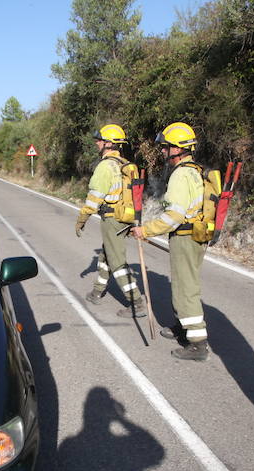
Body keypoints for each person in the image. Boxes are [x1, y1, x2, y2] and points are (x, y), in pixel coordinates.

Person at [131, 122, 210, 361]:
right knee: (183, 285)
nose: (163, 151)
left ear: (178, 148)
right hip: (193, 235)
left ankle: (197, 343)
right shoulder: (195, 171)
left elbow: (173, 216)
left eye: (166, 147)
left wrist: (146, 230)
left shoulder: (181, 175)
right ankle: (183, 328)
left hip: (185, 237)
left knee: (185, 289)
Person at [76, 124, 146, 318]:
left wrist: (82, 218)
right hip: (125, 217)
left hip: (112, 219)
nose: (97, 143)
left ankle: (137, 302)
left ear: (109, 143)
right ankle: (97, 291)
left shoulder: (105, 166)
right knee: (107, 254)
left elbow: (94, 198)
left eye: (99, 140)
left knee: (116, 261)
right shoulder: (125, 164)